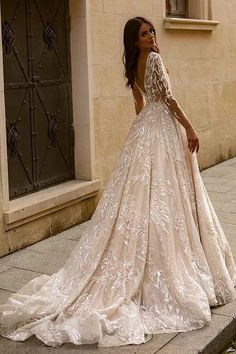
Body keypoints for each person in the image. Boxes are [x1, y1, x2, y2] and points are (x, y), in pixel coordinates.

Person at [0, 16, 236, 348]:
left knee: (149, 196)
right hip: (163, 128)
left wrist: (144, 133)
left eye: (152, 30)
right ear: (135, 40)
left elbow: (140, 104)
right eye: (144, 33)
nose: (151, 35)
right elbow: (168, 99)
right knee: (168, 195)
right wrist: (190, 127)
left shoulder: (134, 62)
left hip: (147, 131)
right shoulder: (154, 58)